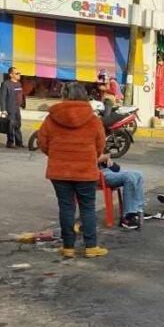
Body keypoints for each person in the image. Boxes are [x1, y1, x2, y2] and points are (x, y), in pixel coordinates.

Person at [36, 83, 108, 259]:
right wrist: (91, 156)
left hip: (59, 170)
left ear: (64, 95)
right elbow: (100, 145)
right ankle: (91, 247)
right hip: (85, 171)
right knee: (87, 208)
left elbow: (42, 142)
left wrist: (55, 155)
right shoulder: (93, 119)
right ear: (84, 96)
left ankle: (68, 247)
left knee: (66, 208)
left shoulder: (51, 118)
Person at [99, 156, 149, 229]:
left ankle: (138, 210)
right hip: (97, 174)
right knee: (128, 177)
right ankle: (128, 216)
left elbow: (116, 169)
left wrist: (108, 160)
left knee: (138, 174)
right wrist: (102, 158)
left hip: (108, 171)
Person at [0, 66, 24, 149]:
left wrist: (22, 104)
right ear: (11, 75)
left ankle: (19, 142)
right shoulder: (6, 84)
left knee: (18, 125)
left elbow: (21, 95)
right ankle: (10, 143)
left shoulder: (19, 84)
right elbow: (2, 97)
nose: (19, 75)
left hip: (17, 108)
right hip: (10, 108)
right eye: (17, 73)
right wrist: (3, 110)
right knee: (10, 126)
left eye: (19, 73)